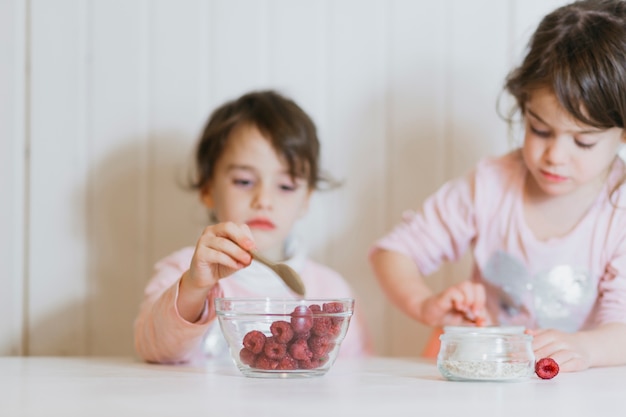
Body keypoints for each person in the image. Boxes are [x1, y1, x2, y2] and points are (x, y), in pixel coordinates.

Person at [369, 0, 626, 373]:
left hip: (581, 395)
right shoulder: (490, 185)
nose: (554, 155)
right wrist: (425, 305)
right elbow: (393, 254)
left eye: (583, 142)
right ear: (523, 106)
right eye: (539, 130)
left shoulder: (620, 212)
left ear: (621, 133)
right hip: (484, 385)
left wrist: (584, 348)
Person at [135, 90, 372, 364]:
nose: (264, 200)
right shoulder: (183, 272)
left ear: (306, 199)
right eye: (244, 181)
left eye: (285, 186)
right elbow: (154, 350)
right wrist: (195, 287)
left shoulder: (330, 290)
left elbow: (356, 375)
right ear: (208, 188)